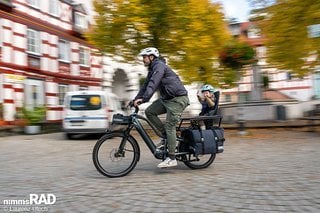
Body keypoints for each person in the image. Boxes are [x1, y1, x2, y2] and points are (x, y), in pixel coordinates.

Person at [133, 47, 189, 168]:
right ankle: (166, 137)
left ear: (151, 57)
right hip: (167, 99)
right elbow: (145, 86)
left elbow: (154, 83)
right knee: (150, 112)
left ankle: (172, 158)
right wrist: (135, 99)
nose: (143, 59)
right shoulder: (152, 69)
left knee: (170, 125)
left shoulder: (159, 66)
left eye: (144, 57)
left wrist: (144, 99)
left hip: (178, 99)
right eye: (142, 57)